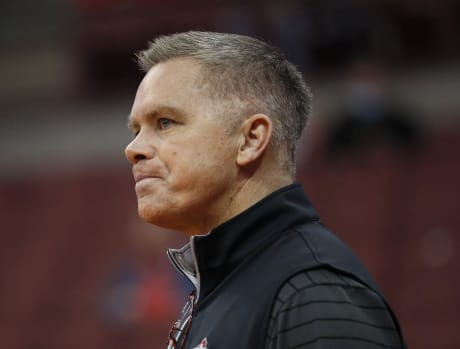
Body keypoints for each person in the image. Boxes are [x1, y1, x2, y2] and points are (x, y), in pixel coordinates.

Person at [124, 31, 406, 349]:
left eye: (164, 122)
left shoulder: (311, 295)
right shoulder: (227, 284)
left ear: (251, 140)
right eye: (136, 130)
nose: (133, 149)